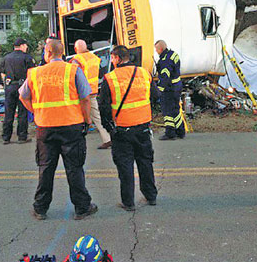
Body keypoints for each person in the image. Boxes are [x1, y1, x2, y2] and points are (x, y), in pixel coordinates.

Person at [19, 39, 97, 221]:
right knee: (74, 168)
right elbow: (85, 98)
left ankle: (40, 208)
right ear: (62, 53)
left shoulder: (35, 73)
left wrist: (37, 111)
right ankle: (82, 207)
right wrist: (86, 120)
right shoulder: (73, 70)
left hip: (45, 127)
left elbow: (23, 96)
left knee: (46, 168)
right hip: (71, 126)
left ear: (47, 53)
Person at [99, 45, 158, 211]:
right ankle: (151, 196)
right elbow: (155, 96)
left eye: (112, 58)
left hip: (122, 129)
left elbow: (103, 106)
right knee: (145, 162)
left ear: (117, 58)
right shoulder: (144, 73)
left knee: (125, 166)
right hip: (143, 126)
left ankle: (128, 202)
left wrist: (108, 127)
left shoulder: (110, 78)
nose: (111, 61)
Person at [71, 39, 111, 149]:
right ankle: (107, 138)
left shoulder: (77, 60)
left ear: (75, 49)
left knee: (78, 115)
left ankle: (107, 138)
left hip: (82, 92)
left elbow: (74, 76)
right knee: (96, 115)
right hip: (93, 90)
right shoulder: (94, 57)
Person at [1, 38, 36, 144]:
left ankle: (6, 137)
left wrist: (6, 84)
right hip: (22, 86)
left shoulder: (6, 58)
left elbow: (2, 73)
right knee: (22, 112)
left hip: (10, 86)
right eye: (25, 46)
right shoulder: (27, 58)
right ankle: (22, 137)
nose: (26, 48)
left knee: (9, 112)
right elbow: (32, 74)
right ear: (21, 46)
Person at [154, 39, 185, 140]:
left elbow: (165, 76)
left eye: (157, 50)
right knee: (175, 109)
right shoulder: (173, 54)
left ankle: (170, 132)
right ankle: (180, 131)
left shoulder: (165, 61)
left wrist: (159, 90)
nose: (156, 52)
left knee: (167, 110)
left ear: (161, 49)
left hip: (169, 88)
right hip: (177, 86)